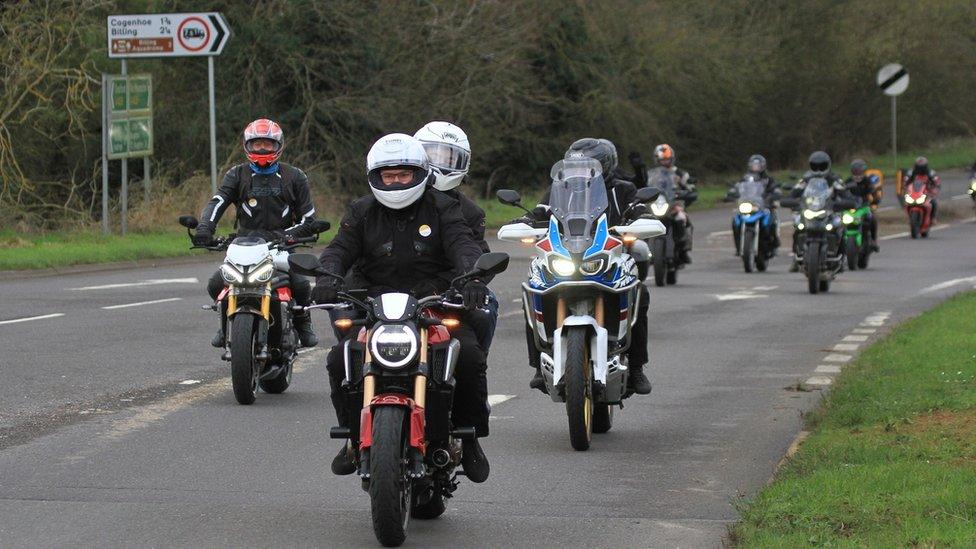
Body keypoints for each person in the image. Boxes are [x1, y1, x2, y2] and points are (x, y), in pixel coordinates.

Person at [313, 133, 492, 482]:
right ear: (375, 177)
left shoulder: (443, 207)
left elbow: (463, 245)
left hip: (435, 302)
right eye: (388, 175)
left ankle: (470, 440)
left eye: (403, 175)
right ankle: (352, 437)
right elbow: (338, 250)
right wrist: (327, 277)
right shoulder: (361, 211)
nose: (395, 182)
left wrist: (472, 278)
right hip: (375, 305)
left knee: (468, 355)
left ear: (420, 173)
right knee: (340, 358)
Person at [523, 138, 652, 396]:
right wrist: (525, 221)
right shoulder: (561, 189)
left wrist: (644, 217)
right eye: (576, 166)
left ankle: (637, 366)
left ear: (605, 166)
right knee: (533, 286)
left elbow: (637, 208)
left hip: (610, 257)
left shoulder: (622, 188)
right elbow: (540, 211)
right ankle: (538, 365)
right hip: (568, 253)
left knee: (640, 292)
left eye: (588, 166)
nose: (581, 172)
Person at [193, 118, 319, 348]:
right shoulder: (236, 174)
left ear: (279, 145)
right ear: (246, 146)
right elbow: (218, 201)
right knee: (215, 283)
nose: (262, 149)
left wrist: (290, 235)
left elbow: (308, 218)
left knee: (300, 284)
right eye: (257, 144)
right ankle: (225, 326)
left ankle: (303, 323)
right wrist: (205, 228)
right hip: (244, 245)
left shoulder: (295, 176)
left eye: (268, 144)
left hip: (281, 245)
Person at [413, 121, 499, 352]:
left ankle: (476, 366)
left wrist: (474, 281)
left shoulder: (470, 212)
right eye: (432, 154)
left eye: (449, 158)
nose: (440, 163)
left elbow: (475, 253)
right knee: (346, 317)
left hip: (446, 291)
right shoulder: (384, 203)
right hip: (389, 290)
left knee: (486, 310)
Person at [787, 151, 850, 271]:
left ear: (828, 165)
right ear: (811, 166)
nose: (819, 169)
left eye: (822, 166)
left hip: (829, 211)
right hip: (810, 209)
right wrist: (790, 200)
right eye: (815, 166)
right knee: (798, 226)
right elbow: (794, 193)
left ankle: (842, 257)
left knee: (840, 227)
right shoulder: (806, 179)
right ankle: (796, 256)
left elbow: (846, 193)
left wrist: (845, 202)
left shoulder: (834, 179)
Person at [652, 143, 695, 264]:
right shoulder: (652, 174)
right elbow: (645, 185)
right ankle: (641, 252)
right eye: (662, 160)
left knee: (683, 219)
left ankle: (683, 249)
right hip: (658, 204)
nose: (665, 162)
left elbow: (690, 187)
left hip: (675, 205)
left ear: (672, 159)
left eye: (667, 159)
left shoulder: (680, 174)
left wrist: (687, 191)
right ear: (657, 160)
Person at [844, 159, 880, 251]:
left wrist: (875, 199)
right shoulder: (847, 181)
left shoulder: (867, 181)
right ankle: (839, 242)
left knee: (872, 219)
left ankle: (873, 240)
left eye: (859, 171)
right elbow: (841, 192)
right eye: (855, 171)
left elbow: (874, 192)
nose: (857, 173)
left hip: (864, 207)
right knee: (838, 221)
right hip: (850, 207)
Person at [903, 156, 941, 221]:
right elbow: (906, 180)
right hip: (915, 192)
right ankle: (909, 217)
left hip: (927, 192)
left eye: (922, 167)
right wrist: (905, 186)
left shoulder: (931, 172)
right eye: (919, 167)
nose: (920, 170)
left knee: (934, 202)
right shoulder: (911, 172)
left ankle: (933, 218)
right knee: (907, 202)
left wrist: (935, 187)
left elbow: (936, 180)